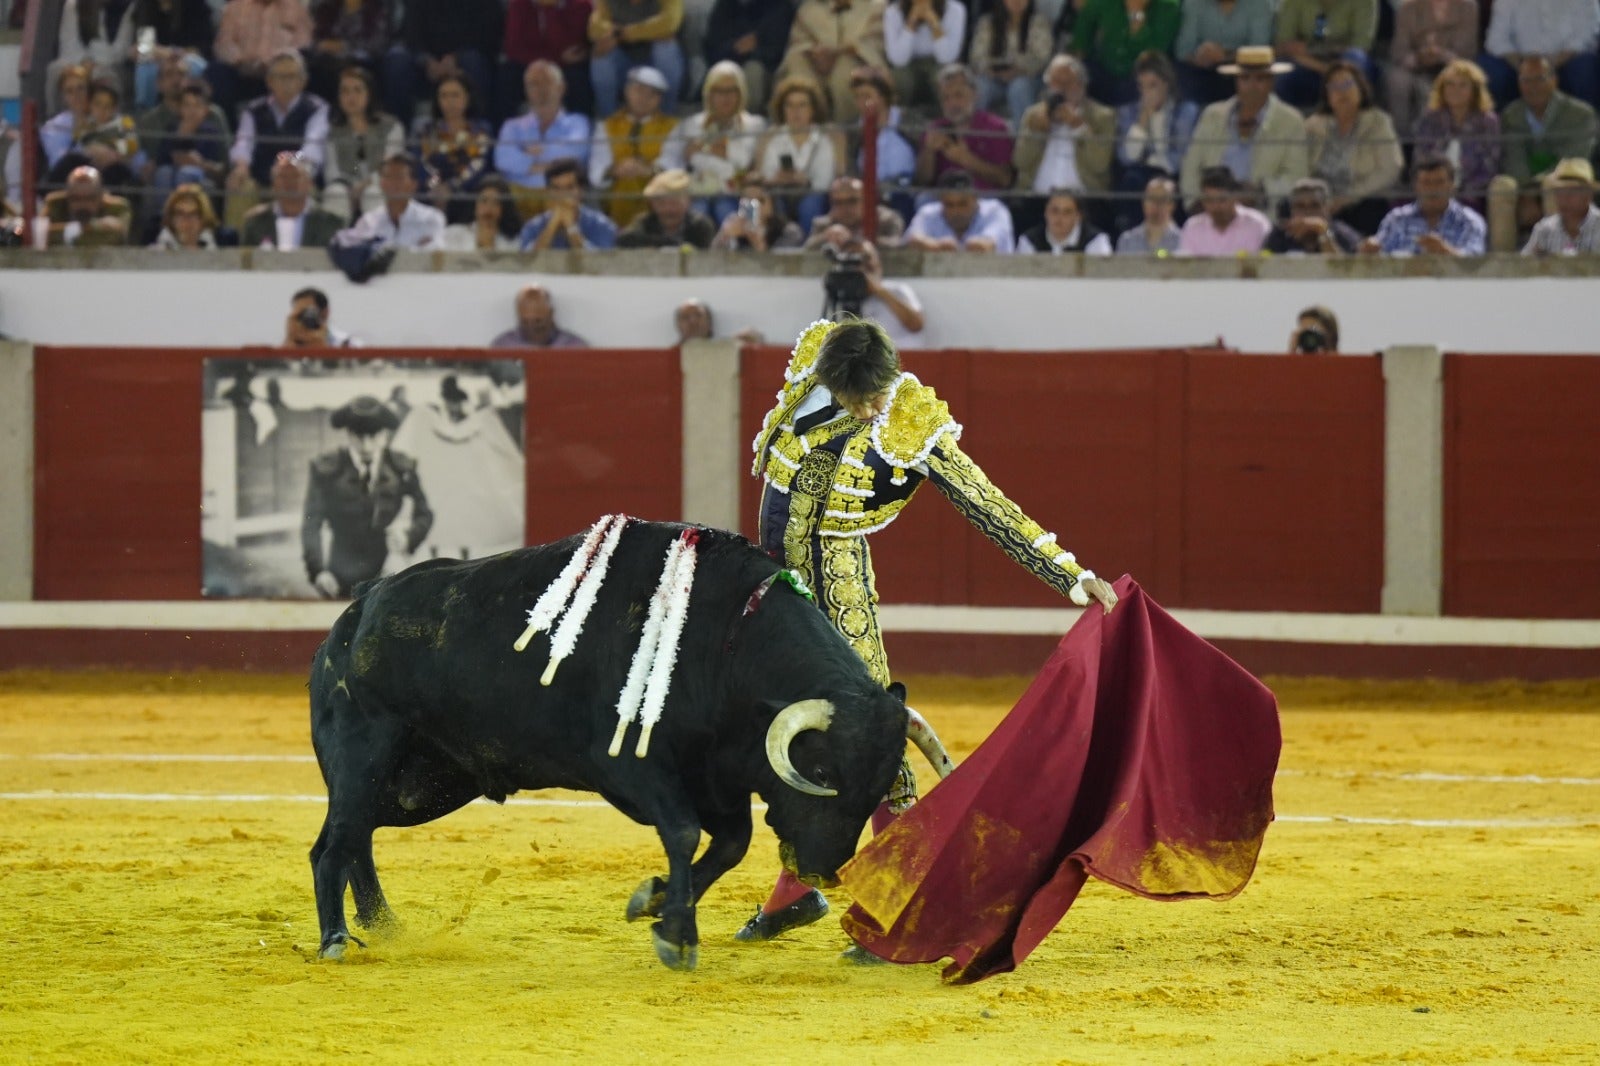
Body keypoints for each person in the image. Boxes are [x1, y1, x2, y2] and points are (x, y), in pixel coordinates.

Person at [738, 316, 1117, 955]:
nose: (870, 408)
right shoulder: (811, 368)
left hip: (837, 587)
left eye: (875, 395)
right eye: (857, 398)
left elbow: (985, 502)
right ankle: (796, 890)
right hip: (777, 591)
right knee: (787, 735)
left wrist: (1070, 575)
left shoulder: (909, 419)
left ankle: (900, 902)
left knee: (873, 735)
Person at [302, 395, 434, 599]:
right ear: (348, 434)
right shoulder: (327, 470)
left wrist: (408, 537)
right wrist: (318, 570)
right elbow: (311, 524)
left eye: (373, 436)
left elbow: (425, 514)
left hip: (390, 570)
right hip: (340, 575)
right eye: (359, 436)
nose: (366, 446)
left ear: (385, 435)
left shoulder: (401, 467)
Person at [1180, 46, 1310, 215]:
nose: (1252, 86)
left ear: (1272, 82)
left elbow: (1297, 177)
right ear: (1237, 81)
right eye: (1245, 78)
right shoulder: (1212, 115)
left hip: (1261, 215)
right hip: (1209, 212)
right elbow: (1191, 167)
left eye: (1260, 79)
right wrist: (1196, 204)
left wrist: (1259, 192)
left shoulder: (1290, 121)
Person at [224, 51, 330, 231]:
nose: (286, 82)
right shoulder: (254, 109)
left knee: (306, 188)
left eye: (292, 76)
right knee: (240, 185)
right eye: (281, 77)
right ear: (269, 81)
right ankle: (236, 241)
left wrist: (287, 169)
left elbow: (312, 147)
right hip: (261, 178)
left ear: (303, 81)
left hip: (297, 175)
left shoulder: (316, 108)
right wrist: (241, 165)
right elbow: (243, 143)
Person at [1012, 54, 1116, 235]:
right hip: (1037, 198)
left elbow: (1100, 165)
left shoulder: (1102, 116)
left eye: (1067, 83)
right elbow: (1020, 162)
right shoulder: (1033, 114)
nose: (1061, 89)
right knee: (1018, 215)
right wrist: (1037, 134)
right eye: (1055, 83)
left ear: (1081, 85)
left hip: (1084, 200)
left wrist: (1079, 127)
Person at [1499, 55, 1599, 232]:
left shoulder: (1581, 114)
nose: (1533, 86)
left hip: (1567, 182)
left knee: (1554, 185)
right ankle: (1501, 249)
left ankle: (1560, 246)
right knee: (1501, 186)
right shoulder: (1511, 115)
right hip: (1524, 188)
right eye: (1526, 80)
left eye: (1539, 79)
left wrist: (1535, 190)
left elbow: (1572, 161)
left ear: (1554, 80)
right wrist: (1526, 194)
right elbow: (1513, 158)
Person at [659, 60, 769, 221]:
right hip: (697, 192)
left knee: (727, 209)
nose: (726, 97)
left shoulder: (755, 125)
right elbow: (668, 159)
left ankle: (745, 234)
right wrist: (680, 179)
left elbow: (743, 160)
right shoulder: (691, 124)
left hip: (740, 193)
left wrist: (704, 147)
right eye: (719, 91)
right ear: (709, 94)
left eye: (731, 91)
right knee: (697, 212)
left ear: (741, 93)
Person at [1303, 59, 1403, 235]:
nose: (1342, 91)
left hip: (1362, 199)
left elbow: (1391, 169)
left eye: (1347, 84)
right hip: (1320, 202)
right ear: (1327, 95)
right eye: (1335, 86)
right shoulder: (1313, 125)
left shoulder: (1378, 122)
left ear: (1361, 88)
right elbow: (1301, 169)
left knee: (1371, 209)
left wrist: (1348, 197)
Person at [1112, 50, 1198, 232]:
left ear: (1166, 84)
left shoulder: (1185, 111)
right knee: (1131, 180)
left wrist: (1157, 154)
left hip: (1173, 174)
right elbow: (1126, 158)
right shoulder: (1128, 113)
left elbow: (1179, 160)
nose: (1147, 93)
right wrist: (1142, 121)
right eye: (1142, 86)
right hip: (1142, 174)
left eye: (1153, 85)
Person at [495, 60, 594, 213]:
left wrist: (526, 156)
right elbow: (503, 159)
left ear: (561, 87)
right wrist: (548, 164)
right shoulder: (512, 126)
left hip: (561, 196)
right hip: (517, 198)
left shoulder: (578, 123)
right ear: (526, 91)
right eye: (533, 84)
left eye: (546, 82)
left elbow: (574, 154)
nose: (540, 89)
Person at [383, 0, 499, 125]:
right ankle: (398, 128)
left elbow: (488, 35)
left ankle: (476, 128)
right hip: (424, 63)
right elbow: (410, 34)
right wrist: (426, 60)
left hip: (465, 60)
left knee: (474, 61)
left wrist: (456, 57)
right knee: (398, 63)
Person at [589, 65, 679, 226]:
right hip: (615, 199)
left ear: (659, 99)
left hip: (658, 197)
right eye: (638, 91)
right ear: (627, 92)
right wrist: (615, 170)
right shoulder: (606, 126)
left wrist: (647, 170)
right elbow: (596, 171)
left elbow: (673, 165)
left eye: (651, 94)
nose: (643, 98)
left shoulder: (673, 127)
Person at [754, 76, 845, 234]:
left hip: (814, 194)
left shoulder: (823, 139)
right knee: (774, 202)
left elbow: (824, 181)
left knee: (811, 203)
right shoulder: (774, 138)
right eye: (790, 105)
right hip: (780, 192)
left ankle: (809, 244)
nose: (795, 111)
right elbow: (765, 175)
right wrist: (778, 179)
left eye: (802, 105)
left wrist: (804, 180)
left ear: (813, 109)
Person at [778, 0, 888, 124]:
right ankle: (808, 128)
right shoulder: (808, 10)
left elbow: (873, 45)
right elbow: (798, 42)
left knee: (844, 69)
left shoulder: (875, 6)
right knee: (796, 62)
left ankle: (847, 129)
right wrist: (815, 53)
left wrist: (838, 53)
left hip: (857, 62)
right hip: (817, 63)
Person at [1412, 59, 1501, 211]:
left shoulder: (1488, 121)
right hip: (1432, 191)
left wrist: (1463, 191)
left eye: (1462, 85)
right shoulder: (1430, 119)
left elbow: (1490, 166)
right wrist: (1437, 189)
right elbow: (1421, 158)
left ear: (1474, 90)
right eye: (1450, 84)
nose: (1455, 90)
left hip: (1473, 193)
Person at [321, 66, 406, 224]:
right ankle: (337, 236)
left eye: (357, 90)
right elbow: (332, 172)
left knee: (373, 193)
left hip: (380, 186)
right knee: (335, 192)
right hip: (347, 188)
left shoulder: (391, 127)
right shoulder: (333, 132)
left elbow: (390, 167)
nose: (351, 97)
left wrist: (367, 184)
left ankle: (378, 236)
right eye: (345, 91)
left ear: (369, 94)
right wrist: (352, 188)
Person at [1385, 0, 1481, 137]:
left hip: (1454, 66)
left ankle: (1441, 138)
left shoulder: (1468, 7)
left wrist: (1441, 55)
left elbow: (1467, 52)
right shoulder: (1408, 8)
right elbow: (1399, 50)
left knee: (1441, 84)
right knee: (1397, 80)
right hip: (1416, 67)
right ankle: (1402, 138)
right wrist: (1418, 57)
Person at [1480, 0, 1600, 108]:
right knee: (1489, 66)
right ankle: (1497, 123)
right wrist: (1526, 67)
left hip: (1565, 63)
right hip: (1519, 65)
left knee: (1585, 66)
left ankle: (1588, 122)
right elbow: (1496, 40)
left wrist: (1549, 65)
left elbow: (1587, 36)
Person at [914, 63, 1016, 192]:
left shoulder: (995, 127)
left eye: (958, 95)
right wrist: (929, 152)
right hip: (943, 198)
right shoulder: (935, 129)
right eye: (945, 98)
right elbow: (921, 182)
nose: (952, 104)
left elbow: (1005, 179)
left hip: (983, 199)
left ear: (975, 94)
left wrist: (965, 159)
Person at [1362, 154, 1487, 255]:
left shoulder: (1469, 221)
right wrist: (1370, 249)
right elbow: (1378, 251)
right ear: (1416, 187)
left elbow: (1475, 264)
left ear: (1452, 186)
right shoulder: (1396, 219)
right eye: (1426, 183)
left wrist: (1445, 251)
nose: (1433, 189)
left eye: (1439, 182)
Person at [207, 0, 314, 116]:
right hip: (241, 71)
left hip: (279, 70)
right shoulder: (235, 7)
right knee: (216, 72)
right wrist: (241, 60)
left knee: (297, 73)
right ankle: (228, 125)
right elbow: (224, 43)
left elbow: (303, 45)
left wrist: (273, 61)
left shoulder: (296, 9)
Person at [414, 75, 496, 226]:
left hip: (467, 193)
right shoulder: (426, 131)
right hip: (431, 192)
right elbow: (422, 164)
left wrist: (451, 187)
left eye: (455, 95)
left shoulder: (481, 131)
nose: (449, 101)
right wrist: (435, 186)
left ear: (467, 98)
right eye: (444, 96)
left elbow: (478, 166)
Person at [1272, 0, 1380, 111]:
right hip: (1307, 64)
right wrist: (1325, 69)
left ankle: (1349, 116)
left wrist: (1311, 49)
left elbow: (1361, 46)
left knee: (1356, 58)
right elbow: (1284, 47)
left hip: (1347, 65)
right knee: (1281, 75)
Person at [1068, 0, 1182, 106]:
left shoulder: (1168, 7)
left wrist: (1135, 13)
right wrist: (1080, 54)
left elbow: (1152, 55)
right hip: (1103, 69)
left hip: (1136, 81)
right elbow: (1086, 20)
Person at [587, 0, 687, 119]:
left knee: (665, 48)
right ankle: (609, 119)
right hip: (625, 66)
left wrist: (629, 33)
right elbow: (594, 29)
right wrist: (622, 33)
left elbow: (669, 23)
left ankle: (666, 117)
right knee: (601, 53)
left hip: (658, 66)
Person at [502, 0, 595, 121]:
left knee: (577, 79)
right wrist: (554, 59)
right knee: (507, 75)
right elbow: (513, 47)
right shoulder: (519, 4)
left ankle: (582, 126)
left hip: (568, 66)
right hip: (531, 62)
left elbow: (574, 45)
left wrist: (551, 10)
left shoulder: (581, 5)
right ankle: (502, 128)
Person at [1173, 0, 1274, 105]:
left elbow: (1259, 49)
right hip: (1201, 68)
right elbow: (1183, 50)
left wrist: (1224, 56)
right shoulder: (1193, 3)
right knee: (1182, 73)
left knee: (1256, 74)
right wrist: (1198, 57)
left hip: (1240, 68)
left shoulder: (1259, 4)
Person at [969, 0, 1053, 124]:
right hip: (993, 77)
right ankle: (975, 131)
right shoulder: (987, 22)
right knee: (980, 87)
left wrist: (1017, 69)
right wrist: (993, 70)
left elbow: (1042, 57)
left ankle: (1022, 133)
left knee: (1019, 87)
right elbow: (976, 57)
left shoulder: (1039, 22)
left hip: (1028, 77)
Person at [338, 153, 447, 249]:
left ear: (413, 184)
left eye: (399, 177)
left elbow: (433, 256)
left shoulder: (431, 218)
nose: (393, 183)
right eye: (388, 177)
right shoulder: (367, 222)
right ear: (381, 183)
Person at [704, 0, 793, 115]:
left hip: (768, 69)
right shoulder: (725, 6)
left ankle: (746, 121)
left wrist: (753, 50)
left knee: (753, 71)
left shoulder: (780, 7)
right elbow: (712, 48)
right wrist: (735, 48)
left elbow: (779, 51)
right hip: (730, 62)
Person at [240, 151, 344, 249]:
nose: (289, 182)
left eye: (295, 176)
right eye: (283, 176)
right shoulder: (256, 222)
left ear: (309, 183)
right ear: (273, 185)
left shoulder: (331, 223)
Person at [883, 0, 969, 117]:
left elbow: (947, 58)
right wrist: (911, 22)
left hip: (939, 64)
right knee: (899, 78)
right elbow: (898, 59)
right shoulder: (893, 11)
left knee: (944, 77)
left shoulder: (955, 10)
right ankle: (900, 120)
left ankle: (946, 120)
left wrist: (933, 21)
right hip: (908, 65)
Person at [518, 156, 620, 250]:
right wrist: (552, 225)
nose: (563, 194)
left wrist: (571, 227)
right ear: (548, 192)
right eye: (557, 189)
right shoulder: (533, 226)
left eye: (569, 188)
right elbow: (528, 261)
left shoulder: (601, 225)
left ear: (581, 190)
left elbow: (600, 261)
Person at [905, 168, 1016, 252]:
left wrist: (952, 248)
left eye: (962, 204)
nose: (956, 211)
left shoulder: (995, 210)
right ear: (941, 201)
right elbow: (912, 239)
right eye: (949, 205)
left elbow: (985, 245)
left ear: (975, 198)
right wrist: (936, 246)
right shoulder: (928, 212)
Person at [1177, 165, 1271, 254]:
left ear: (1235, 197)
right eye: (1209, 201)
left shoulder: (1257, 224)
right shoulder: (1193, 227)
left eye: (1222, 200)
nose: (1216, 207)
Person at [616, 167, 718, 247]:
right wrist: (668, 243)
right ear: (652, 204)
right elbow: (624, 239)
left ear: (688, 201)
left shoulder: (700, 226)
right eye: (661, 203)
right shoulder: (644, 223)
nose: (669, 209)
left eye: (675, 203)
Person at [802, 175, 907, 250]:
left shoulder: (887, 219)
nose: (845, 208)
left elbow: (898, 246)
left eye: (852, 201)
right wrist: (826, 237)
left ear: (867, 201)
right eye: (838, 203)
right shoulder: (824, 224)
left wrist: (853, 239)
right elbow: (807, 249)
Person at [1521, 156, 1600, 253]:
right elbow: (1524, 261)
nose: (1564, 198)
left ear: (1588, 195)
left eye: (1572, 192)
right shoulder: (1545, 230)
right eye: (1559, 192)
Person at [1264, 176, 1362, 253]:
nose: (1308, 212)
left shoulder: (1342, 234)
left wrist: (1322, 231)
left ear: (1327, 209)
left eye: (1315, 206)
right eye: (1300, 206)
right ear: (1292, 210)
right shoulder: (1280, 235)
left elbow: (1342, 270)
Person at [44, 165, 132, 247]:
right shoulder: (54, 204)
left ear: (101, 197)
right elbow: (42, 234)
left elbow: (117, 234)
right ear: (68, 196)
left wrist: (66, 233)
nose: (83, 205)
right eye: (76, 199)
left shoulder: (118, 208)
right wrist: (93, 228)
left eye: (90, 198)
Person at [711, 175, 806, 250]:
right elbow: (713, 259)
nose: (755, 206)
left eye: (760, 200)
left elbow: (784, 265)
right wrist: (725, 236)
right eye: (749, 199)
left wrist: (757, 242)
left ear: (772, 204)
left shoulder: (789, 231)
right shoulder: (732, 222)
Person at [489, 283, 590, 347]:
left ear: (550, 314)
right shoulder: (503, 346)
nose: (531, 328)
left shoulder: (573, 346)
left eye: (538, 321)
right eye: (525, 322)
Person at [1017, 187, 1112, 253]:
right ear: (1045, 212)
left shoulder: (1096, 241)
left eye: (1067, 212)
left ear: (1078, 216)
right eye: (1055, 211)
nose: (1059, 217)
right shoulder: (1028, 241)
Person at [440, 175, 524, 250]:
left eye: (496, 203)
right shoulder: (453, 234)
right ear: (475, 205)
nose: (488, 208)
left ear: (504, 208)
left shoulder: (514, 243)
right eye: (484, 201)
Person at [1114, 174, 1182, 252]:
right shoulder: (1127, 241)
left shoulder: (1183, 241)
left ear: (1172, 205)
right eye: (1152, 198)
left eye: (1163, 199)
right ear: (1143, 202)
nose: (1156, 204)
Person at [150, 182, 219, 248]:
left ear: (204, 218)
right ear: (171, 218)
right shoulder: (156, 251)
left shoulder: (215, 249)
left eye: (193, 214)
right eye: (180, 213)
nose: (186, 221)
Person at [283, 286, 358, 347]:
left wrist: (320, 346)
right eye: (300, 313)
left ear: (325, 312)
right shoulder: (292, 342)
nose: (304, 318)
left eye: (309, 312)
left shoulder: (345, 343)